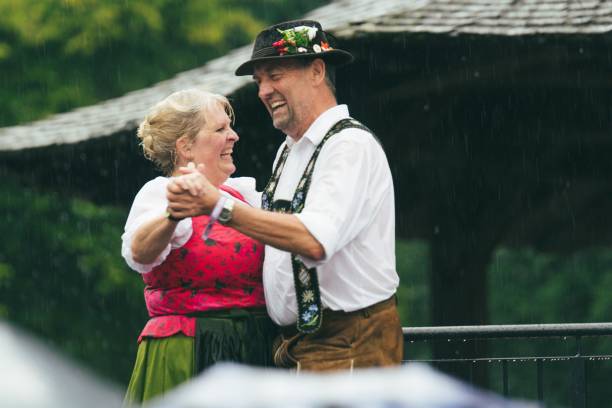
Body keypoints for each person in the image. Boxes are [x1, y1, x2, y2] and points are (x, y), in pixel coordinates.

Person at [166, 20, 403, 371]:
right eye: (259, 81)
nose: (264, 91)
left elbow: (313, 240)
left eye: (275, 75)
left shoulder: (349, 146)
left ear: (317, 71)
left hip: (350, 343)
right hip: (293, 345)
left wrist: (218, 205)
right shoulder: (289, 152)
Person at [121, 89, 276, 405]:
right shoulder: (161, 194)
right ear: (185, 145)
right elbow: (140, 253)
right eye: (220, 129)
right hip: (188, 347)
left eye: (229, 127)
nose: (233, 135)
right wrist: (173, 215)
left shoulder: (246, 195)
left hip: (256, 346)